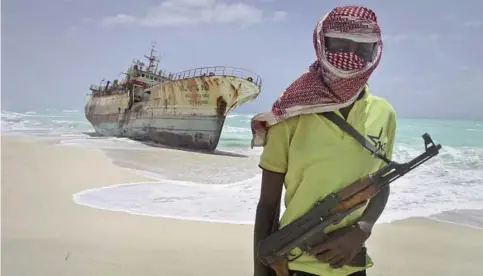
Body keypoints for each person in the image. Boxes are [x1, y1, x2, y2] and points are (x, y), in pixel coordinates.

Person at [251, 5, 397, 276]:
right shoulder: (289, 115)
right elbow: (268, 205)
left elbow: (381, 182)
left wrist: (362, 230)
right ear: (321, 44)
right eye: (341, 44)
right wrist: (260, 273)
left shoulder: (384, 114)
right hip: (295, 266)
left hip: (352, 263)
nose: (351, 57)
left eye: (362, 48)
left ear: (375, 51)